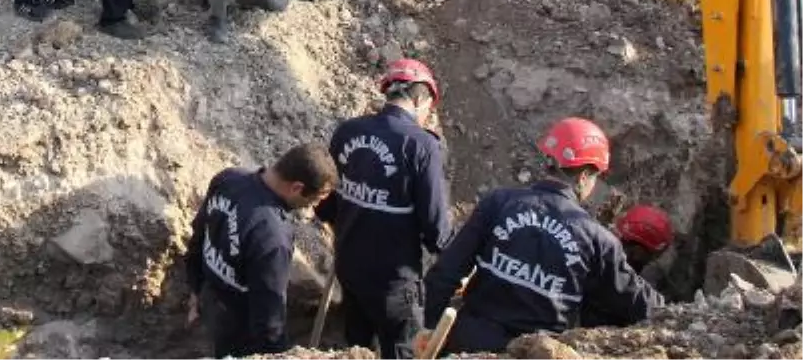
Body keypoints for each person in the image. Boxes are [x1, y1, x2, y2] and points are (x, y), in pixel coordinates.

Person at [419, 117, 664, 355]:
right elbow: (634, 300)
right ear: (583, 176)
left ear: (548, 160)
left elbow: (446, 273)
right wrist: (680, 312)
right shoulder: (597, 240)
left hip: (471, 343)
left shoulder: (498, 203)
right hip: (538, 351)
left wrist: (423, 326)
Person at [315, 58, 452, 358]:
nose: (429, 115)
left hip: (350, 269)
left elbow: (324, 203)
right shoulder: (421, 146)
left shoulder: (347, 132)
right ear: (420, 98)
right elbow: (435, 228)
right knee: (402, 350)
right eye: (430, 106)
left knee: (356, 349)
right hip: (394, 283)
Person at [184, 143, 339, 359]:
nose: (311, 206)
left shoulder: (229, 179)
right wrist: (280, 355)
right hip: (238, 333)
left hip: (209, 302)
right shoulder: (272, 237)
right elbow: (269, 322)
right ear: (296, 187)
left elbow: (198, 235)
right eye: (314, 198)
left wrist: (194, 288)